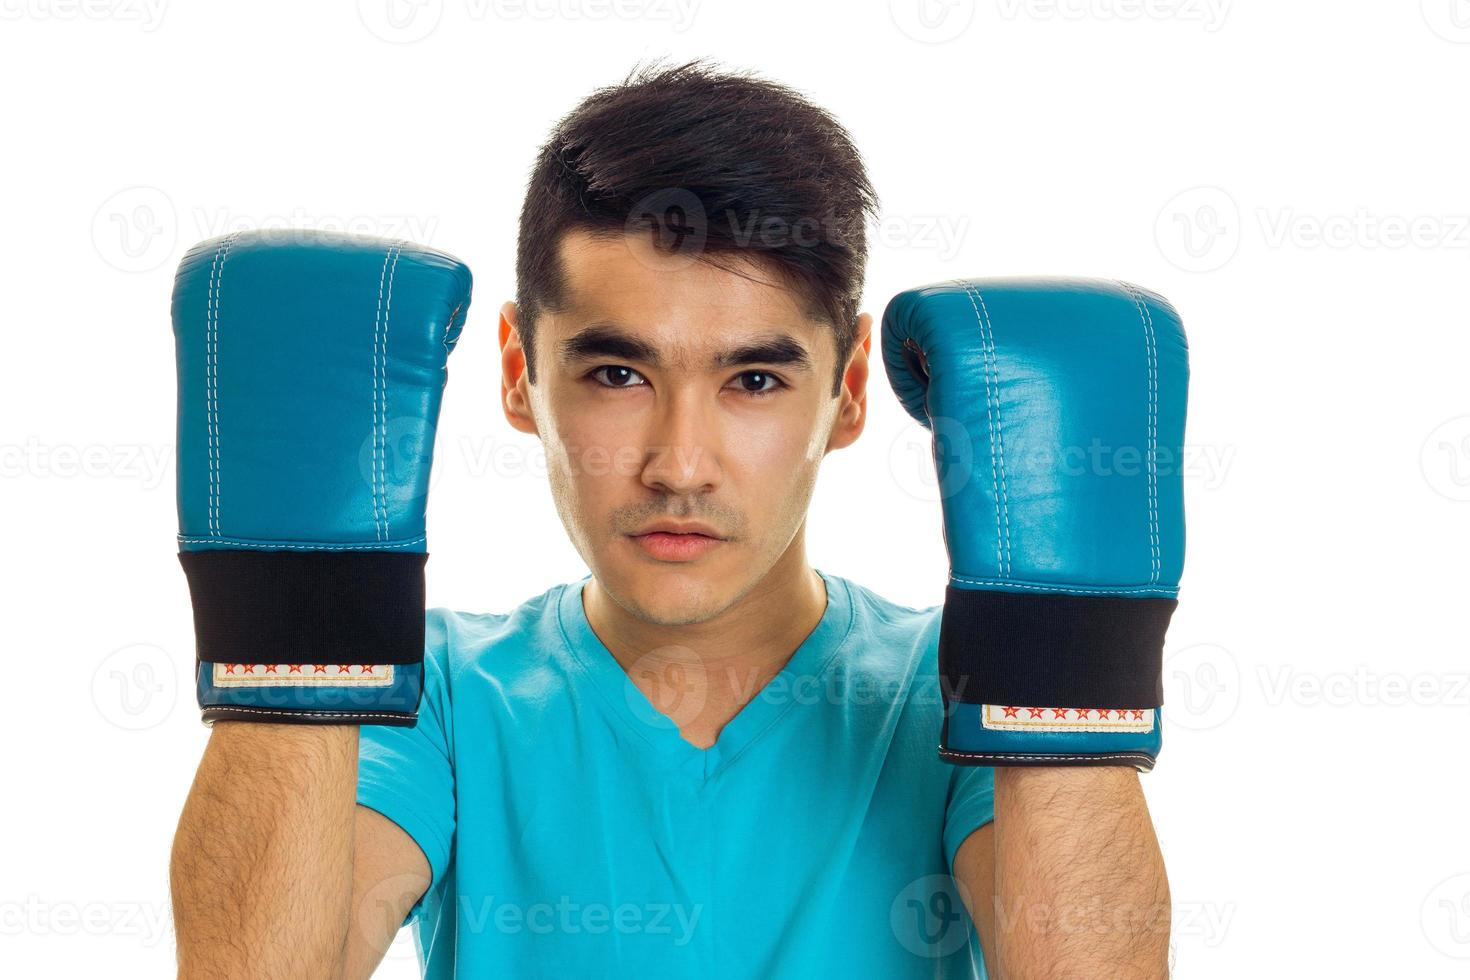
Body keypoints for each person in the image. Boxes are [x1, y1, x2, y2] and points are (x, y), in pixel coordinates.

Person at [170, 60, 1175, 979]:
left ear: (852, 387)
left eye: (753, 377)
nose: (678, 464)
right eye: (617, 372)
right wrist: (294, 619)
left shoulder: (954, 694)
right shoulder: (431, 695)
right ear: (519, 374)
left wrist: (1064, 652)